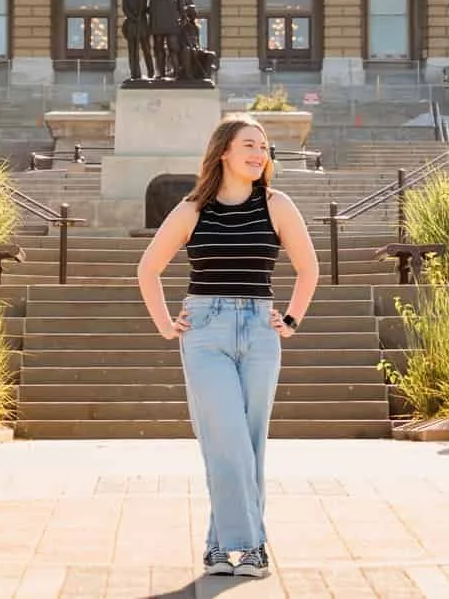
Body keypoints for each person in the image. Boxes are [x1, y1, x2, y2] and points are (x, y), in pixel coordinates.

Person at [137, 116, 320, 580]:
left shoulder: (277, 205)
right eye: (249, 145)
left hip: (260, 329)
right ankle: (250, 547)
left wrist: (291, 319)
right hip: (206, 331)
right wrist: (165, 324)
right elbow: (148, 269)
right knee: (227, 439)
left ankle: (222, 547)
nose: (260, 154)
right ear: (224, 153)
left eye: (264, 147)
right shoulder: (192, 208)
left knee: (249, 442)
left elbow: (309, 268)